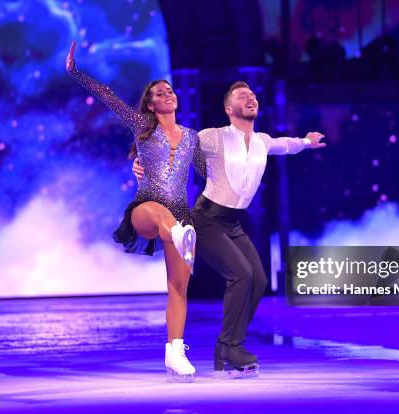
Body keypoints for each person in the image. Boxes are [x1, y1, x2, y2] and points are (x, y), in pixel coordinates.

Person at [133, 81, 325, 378]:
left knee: (259, 280)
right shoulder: (214, 137)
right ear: (228, 109)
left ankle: (226, 349)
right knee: (241, 274)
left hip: (233, 223)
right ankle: (231, 347)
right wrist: (141, 160)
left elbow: (285, 145)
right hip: (207, 219)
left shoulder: (262, 141)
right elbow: (177, 143)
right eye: (242, 96)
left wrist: (306, 141)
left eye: (252, 95)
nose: (250, 98)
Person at [66, 41, 206, 382]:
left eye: (170, 90)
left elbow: (209, 174)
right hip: (145, 210)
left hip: (181, 216)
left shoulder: (191, 137)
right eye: (160, 92)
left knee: (178, 287)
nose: (168, 94)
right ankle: (177, 233)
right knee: (160, 213)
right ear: (150, 103)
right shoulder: (143, 126)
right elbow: (108, 96)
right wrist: (74, 71)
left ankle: (174, 352)